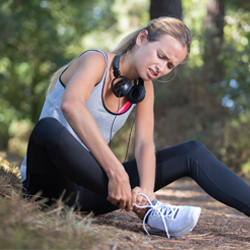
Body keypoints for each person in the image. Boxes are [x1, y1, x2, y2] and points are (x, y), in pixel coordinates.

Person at [20, 16, 250, 238]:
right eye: (160, 56)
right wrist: (115, 170)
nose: (162, 68)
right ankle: (149, 211)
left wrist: (146, 191)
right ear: (142, 38)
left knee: (193, 152)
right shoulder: (96, 61)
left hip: (87, 192)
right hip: (45, 186)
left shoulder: (144, 88)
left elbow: (143, 143)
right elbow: (71, 105)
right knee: (46, 128)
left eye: (170, 65)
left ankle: (147, 207)